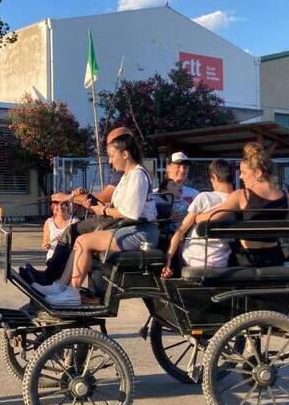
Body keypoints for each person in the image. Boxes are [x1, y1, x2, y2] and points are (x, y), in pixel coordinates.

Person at [32, 133, 158, 307]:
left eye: (112, 156)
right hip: (128, 227)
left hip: (141, 231)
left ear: (125, 154)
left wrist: (103, 210)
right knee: (80, 240)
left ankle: (71, 293)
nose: (111, 161)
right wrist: (88, 198)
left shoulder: (137, 175)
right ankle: (61, 287)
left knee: (85, 241)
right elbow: (113, 204)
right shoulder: (128, 176)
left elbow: (131, 212)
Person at [20, 126, 135, 284]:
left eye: (111, 152)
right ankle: (56, 279)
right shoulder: (122, 171)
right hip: (113, 216)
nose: (109, 159)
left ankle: (51, 278)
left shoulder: (129, 172)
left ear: (124, 149)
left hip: (119, 221)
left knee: (73, 231)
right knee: (73, 232)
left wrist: (70, 197)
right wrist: (81, 195)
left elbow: (104, 198)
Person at [194, 142, 288, 267]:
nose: (240, 176)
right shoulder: (285, 196)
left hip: (247, 260)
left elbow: (205, 218)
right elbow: (287, 224)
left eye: (244, 172)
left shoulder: (242, 196)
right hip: (276, 258)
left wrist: (197, 215)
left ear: (258, 173)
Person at [161, 159, 234, 277]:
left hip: (193, 260)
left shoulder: (204, 197)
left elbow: (180, 232)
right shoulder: (238, 201)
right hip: (221, 262)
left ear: (214, 177)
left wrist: (167, 261)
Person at [158, 152, 198, 229]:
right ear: (168, 168)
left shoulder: (195, 194)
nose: (182, 170)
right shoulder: (156, 194)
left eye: (185, 167)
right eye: (178, 166)